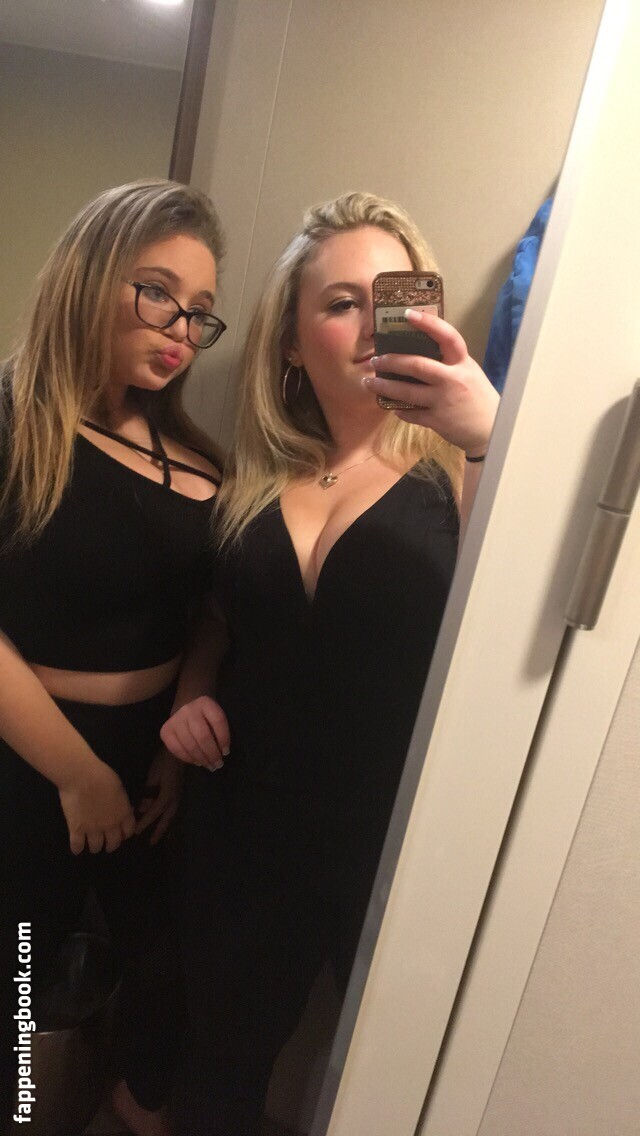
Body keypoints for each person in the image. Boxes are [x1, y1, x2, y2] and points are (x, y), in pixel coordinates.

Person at [161, 190, 500, 1135]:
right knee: (219, 1061)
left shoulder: (465, 468)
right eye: (342, 302)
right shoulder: (250, 484)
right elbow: (220, 624)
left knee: (390, 1081)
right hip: (242, 821)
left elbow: (509, 622)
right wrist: (191, 695)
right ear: (289, 340)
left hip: (394, 841)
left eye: (392, 299)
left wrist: (491, 435)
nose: (370, 324)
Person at [0, 180, 226, 1136]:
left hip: (147, 765)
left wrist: (173, 742)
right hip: (29, 759)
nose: (181, 328)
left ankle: (127, 1103)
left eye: (201, 311)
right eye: (158, 290)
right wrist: (77, 774)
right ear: (91, 274)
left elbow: (209, 612)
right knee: (19, 978)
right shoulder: (15, 421)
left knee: (165, 967)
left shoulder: (194, 452)